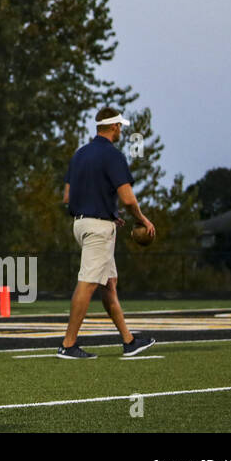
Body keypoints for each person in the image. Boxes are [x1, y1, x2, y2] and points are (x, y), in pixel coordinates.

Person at [58, 107, 157, 359]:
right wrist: (142, 219)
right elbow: (128, 198)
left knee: (109, 285)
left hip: (81, 223)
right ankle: (68, 345)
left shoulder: (79, 154)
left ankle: (129, 341)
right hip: (97, 228)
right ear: (113, 127)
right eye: (120, 126)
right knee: (89, 282)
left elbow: (67, 196)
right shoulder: (113, 156)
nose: (121, 130)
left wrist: (105, 211)